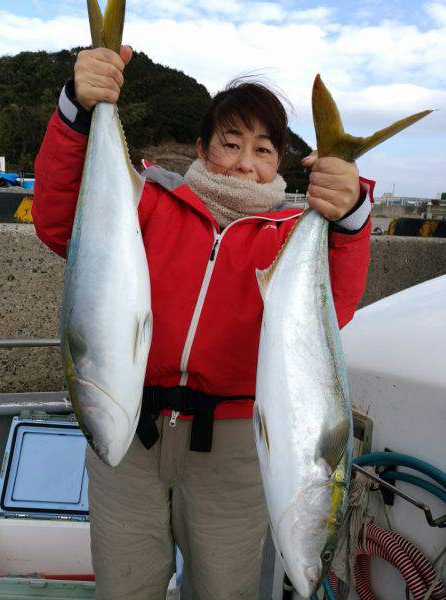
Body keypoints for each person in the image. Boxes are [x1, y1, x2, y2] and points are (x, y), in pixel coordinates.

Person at [33, 45, 373, 600]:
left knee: (223, 590)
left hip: (234, 451)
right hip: (130, 430)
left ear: (281, 162)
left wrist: (351, 216)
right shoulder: (150, 204)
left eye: (263, 149)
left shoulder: (292, 235)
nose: (245, 162)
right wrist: (77, 111)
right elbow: (58, 222)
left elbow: (332, 309)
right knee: (123, 587)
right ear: (201, 146)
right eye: (230, 143)